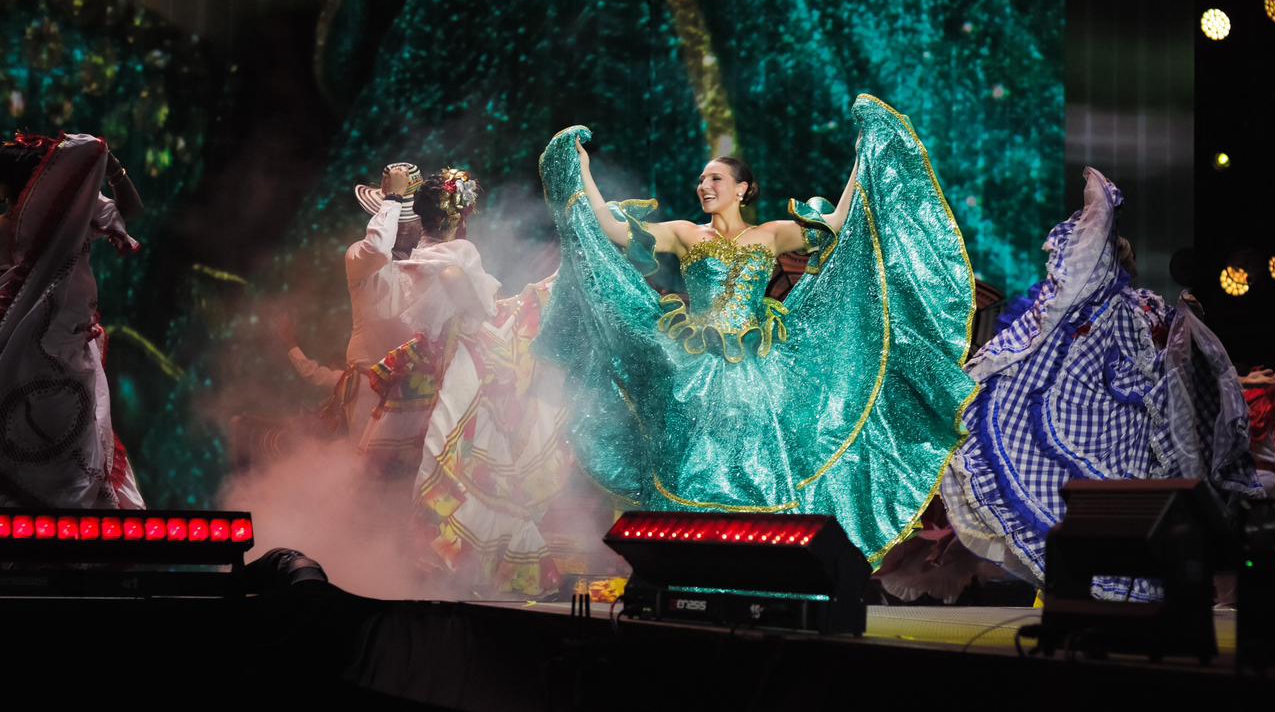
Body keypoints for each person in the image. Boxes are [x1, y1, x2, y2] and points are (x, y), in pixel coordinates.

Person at [535, 94, 977, 563]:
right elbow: (613, 230)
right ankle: (683, 561)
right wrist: (580, 167)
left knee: (759, 466)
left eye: (716, 178)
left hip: (759, 365)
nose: (704, 185)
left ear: (743, 188)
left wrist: (864, 151)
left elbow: (840, 222)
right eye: (702, 178)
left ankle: (768, 565)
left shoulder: (771, 234)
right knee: (691, 463)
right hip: (694, 366)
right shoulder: (687, 232)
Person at [939, 168, 1263, 599]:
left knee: (1109, 512)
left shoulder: (1133, 307)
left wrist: (1103, 206)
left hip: (1131, 430)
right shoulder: (1113, 308)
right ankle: (1085, 593)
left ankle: (1095, 592)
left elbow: (1180, 363)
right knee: (1100, 512)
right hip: (1115, 427)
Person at [366, 168, 576, 596]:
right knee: (459, 451)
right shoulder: (458, 251)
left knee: (448, 450)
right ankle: (447, 560)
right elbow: (476, 305)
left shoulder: (412, 253)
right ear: (460, 216)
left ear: (420, 217)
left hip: (443, 358)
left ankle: (441, 560)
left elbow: (440, 303)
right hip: (461, 355)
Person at [0, 132, 144, 508]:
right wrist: (112, 168)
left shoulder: (69, 219)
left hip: (42, 356)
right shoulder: (70, 221)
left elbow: (129, 211)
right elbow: (131, 209)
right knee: (70, 455)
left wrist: (107, 165)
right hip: (47, 356)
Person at [344, 162, 425, 462]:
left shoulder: (425, 261)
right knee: (363, 473)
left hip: (411, 392)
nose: (409, 227)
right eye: (402, 220)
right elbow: (379, 248)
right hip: (368, 387)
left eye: (412, 220)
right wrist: (394, 200)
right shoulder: (358, 255)